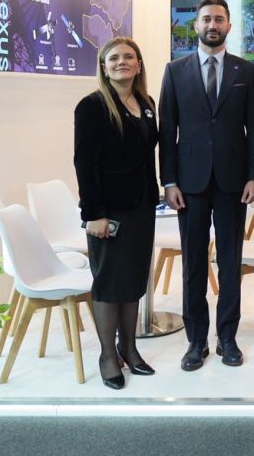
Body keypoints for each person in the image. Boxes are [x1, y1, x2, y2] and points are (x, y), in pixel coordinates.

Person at [159, 0, 254, 371]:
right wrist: (169, 181)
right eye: (206, 19)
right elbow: (167, 130)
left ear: (229, 26)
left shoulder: (245, 71)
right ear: (196, 25)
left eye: (219, 18)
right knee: (193, 263)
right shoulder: (175, 71)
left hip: (234, 182)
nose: (212, 24)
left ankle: (228, 337)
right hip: (189, 184)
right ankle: (196, 340)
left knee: (230, 262)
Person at [74, 37, 158, 390]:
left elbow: (146, 155)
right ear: (104, 67)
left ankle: (130, 349)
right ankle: (108, 355)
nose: (122, 62)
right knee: (109, 283)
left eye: (128, 57)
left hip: (142, 208)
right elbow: (84, 163)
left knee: (133, 281)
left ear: (138, 64)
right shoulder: (92, 106)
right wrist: (93, 213)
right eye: (114, 58)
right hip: (108, 212)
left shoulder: (147, 104)